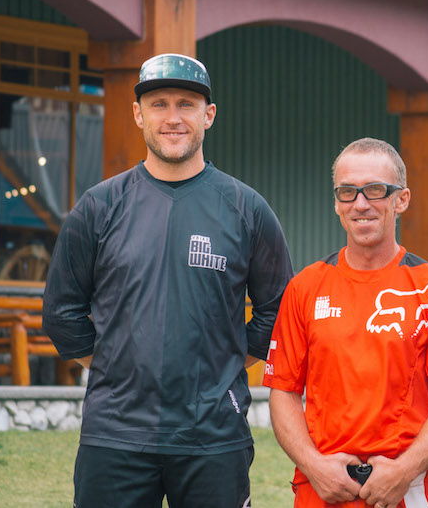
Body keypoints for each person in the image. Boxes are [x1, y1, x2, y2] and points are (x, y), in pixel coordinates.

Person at [43, 53, 293, 508]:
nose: (173, 118)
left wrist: (228, 361)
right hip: (115, 434)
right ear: (138, 113)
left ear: (209, 115)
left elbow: (280, 309)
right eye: (158, 104)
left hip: (214, 434)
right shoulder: (99, 207)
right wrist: (115, 365)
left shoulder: (246, 208)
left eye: (187, 104)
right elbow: (62, 311)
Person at [263, 138, 428, 508]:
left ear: (402, 199)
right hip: (323, 489)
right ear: (336, 202)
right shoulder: (305, 288)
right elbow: (282, 391)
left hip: (409, 490)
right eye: (347, 192)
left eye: (376, 190)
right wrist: (314, 467)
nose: (360, 204)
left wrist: (404, 470)